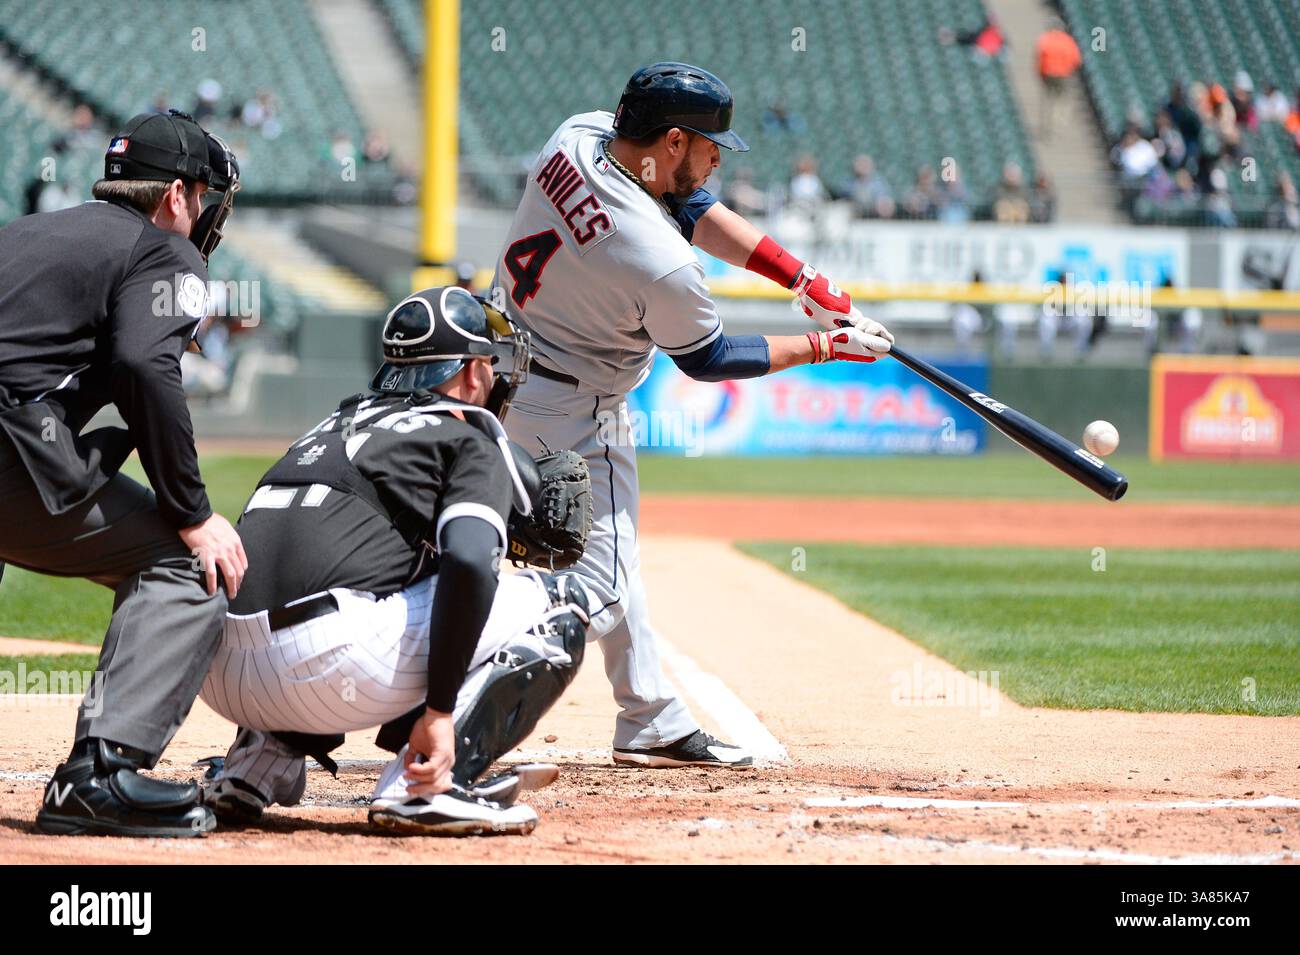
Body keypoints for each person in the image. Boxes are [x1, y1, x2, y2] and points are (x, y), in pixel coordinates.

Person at [490, 62, 893, 769]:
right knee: (600, 576)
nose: (715, 162)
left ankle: (649, 716)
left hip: (496, 372)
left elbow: (689, 206)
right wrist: (825, 345)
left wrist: (797, 276)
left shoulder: (577, 136)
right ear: (672, 141)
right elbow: (709, 358)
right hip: (576, 408)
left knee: (571, 544)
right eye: (709, 147)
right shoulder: (657, 259)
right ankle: (473, 690)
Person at [197, 286, 597, 834]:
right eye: (492, 364)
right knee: (563, 602)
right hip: (324, 666)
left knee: (364, 573)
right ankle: (426, 786)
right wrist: (437, 713)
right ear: (473, 373)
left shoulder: (336, 422)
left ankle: (253, 768)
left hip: (221, 673)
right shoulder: (467, 433)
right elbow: (472, 564)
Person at [0, 110, 245, 837]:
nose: (201, 215)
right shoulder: (165, 251)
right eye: (200, 198)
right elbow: (145, 364)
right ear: (176, 195)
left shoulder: (28, 232)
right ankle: (99, 775)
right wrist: (195, 515)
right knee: (180, 566)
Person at [1035, 18, 1081, 138]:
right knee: (1060, 99)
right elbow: (1076, 59)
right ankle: (1057, 122)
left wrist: (1039, 72)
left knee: (1049, 99)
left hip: (1047, 73)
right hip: (1063, 74)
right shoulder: (1067, 40)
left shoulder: (1045, 39)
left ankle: (1047, 124)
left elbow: (1039, 57)